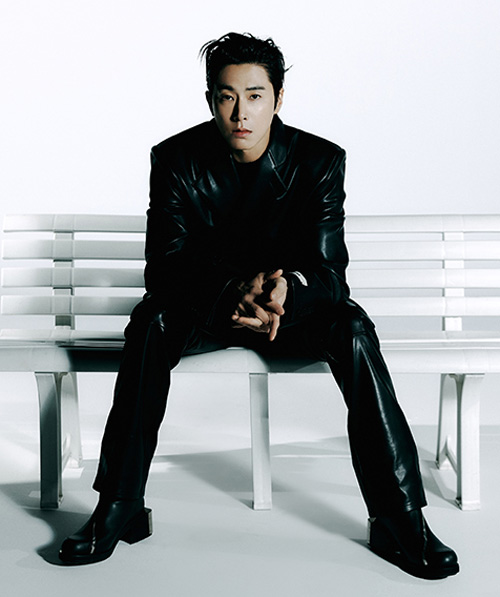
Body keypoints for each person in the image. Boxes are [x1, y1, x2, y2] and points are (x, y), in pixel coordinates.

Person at [59, 32, 458, 579]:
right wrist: (231, 292)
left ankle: (400, 516)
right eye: (227, 96)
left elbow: (330, 274)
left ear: (278, 98)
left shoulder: (319, 161)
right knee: (151, 321)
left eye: (254, 96)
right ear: (210, 99)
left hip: (287, 314)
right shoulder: (174, 159)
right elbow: (166, 268)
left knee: (353, 329)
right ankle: (119, 504)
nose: (240, 112)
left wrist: (289, 288)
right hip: (207, 310)